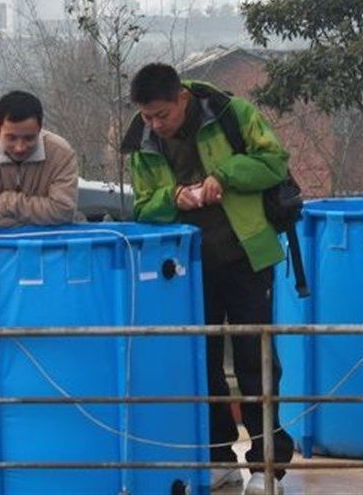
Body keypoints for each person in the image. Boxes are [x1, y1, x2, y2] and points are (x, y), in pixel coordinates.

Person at [122, 63, 294, 495]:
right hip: (188, 269)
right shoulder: (142, 142)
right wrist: (173, 197)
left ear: (182, 98)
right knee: (203, 363)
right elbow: (142, 207)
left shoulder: (230, 113)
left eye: (162, 114)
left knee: (256, 359)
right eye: (147, 116)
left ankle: (266, 464)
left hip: (245, 254)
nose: (155, 124)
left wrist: (225, 176)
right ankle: (219, 458)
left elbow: (273, 162)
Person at [0, 90, 78, 227]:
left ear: (40, 129)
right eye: (11, 138)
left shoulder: (61, 154)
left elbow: (63, 211)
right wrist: (25, 224)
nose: (20, 147)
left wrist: (4, 201)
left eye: (29, 138)